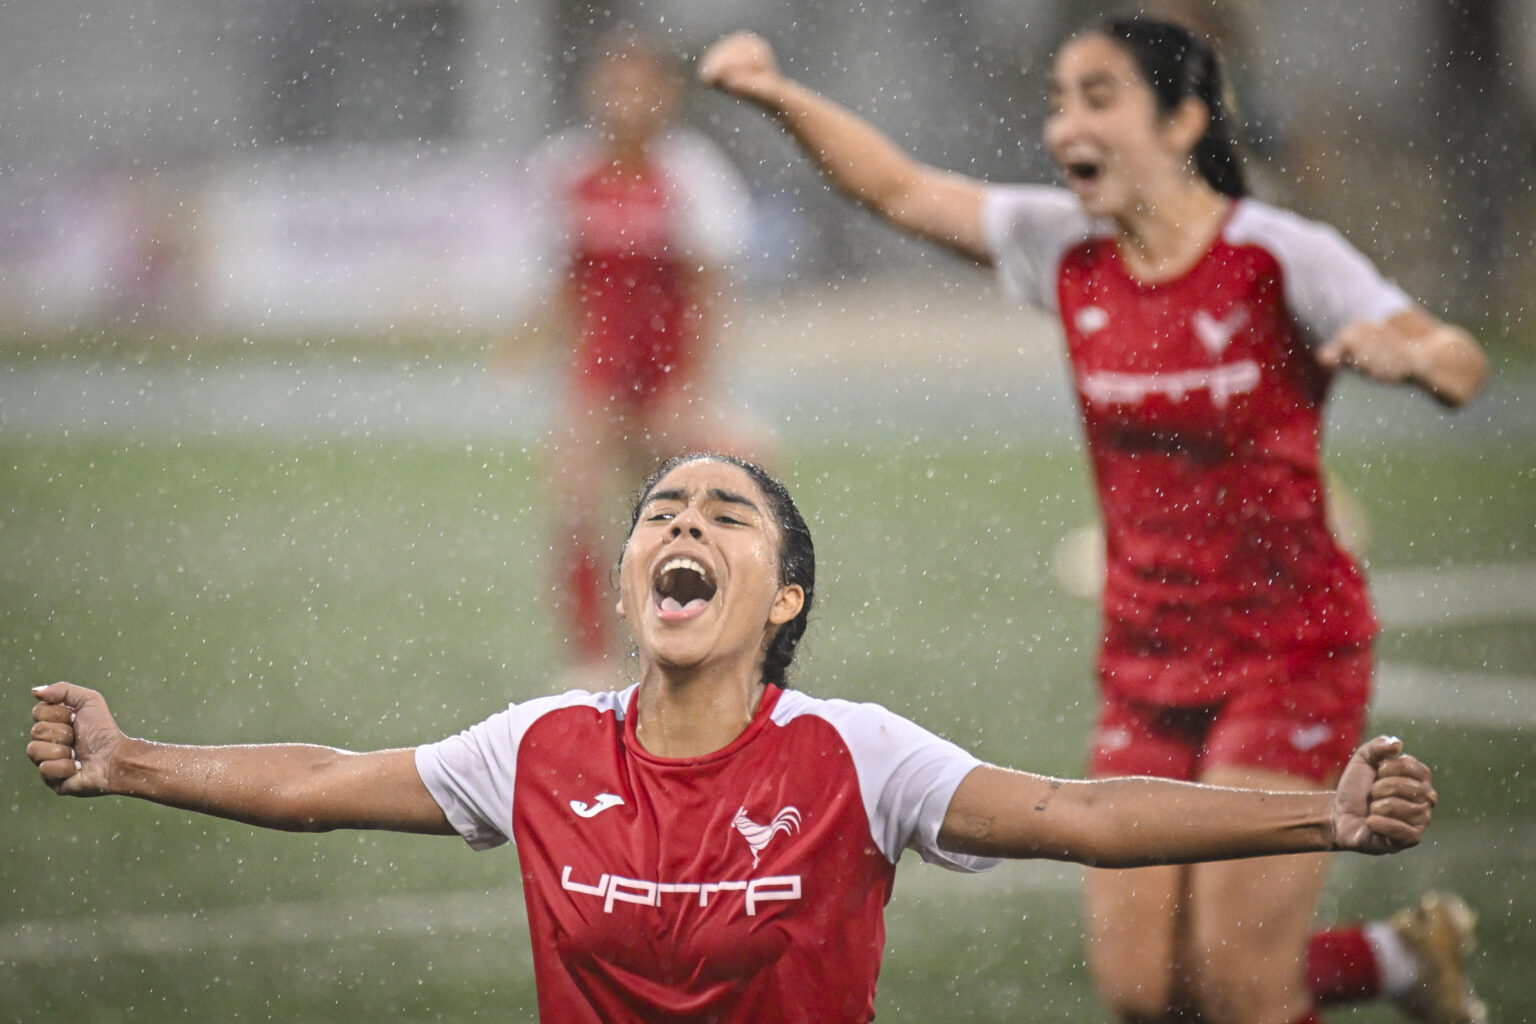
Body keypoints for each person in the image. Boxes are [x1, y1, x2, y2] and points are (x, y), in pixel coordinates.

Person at [29, 452, 1438, 1024]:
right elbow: (329, 784)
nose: (682, 522)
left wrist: (1322, 816)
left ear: (788, 596)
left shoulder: (855, 756)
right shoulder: (541, 746)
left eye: (727, 514)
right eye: (660, 509)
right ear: (636, 575)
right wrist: (131, 758)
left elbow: (1082, 817)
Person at [697, 17, 1489, 1024]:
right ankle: (1394, 957)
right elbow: (895, 188)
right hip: (1146, 654)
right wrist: (774, 92)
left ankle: (1367, 965)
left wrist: (1416, 356)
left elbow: (1460, 358)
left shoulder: (1278, 254)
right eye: (1059, 99)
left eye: (1098, 96)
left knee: (1239, 986)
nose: (1066, 122)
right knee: (1142, 990)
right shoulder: (1063, 247)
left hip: (1291, 649)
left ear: (1185, 119)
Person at [517, 30, 772, 681]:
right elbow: (562, 278)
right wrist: (533, 342)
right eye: (614, 83)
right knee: (574, 497)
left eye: (640, 84)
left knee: (715, 491)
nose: (626, 99)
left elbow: (711, 289)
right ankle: (591, 659)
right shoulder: (564, 171)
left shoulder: (693, 174)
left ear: (667, 94)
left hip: (667, 374)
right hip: (597, 372)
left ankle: (713, 640)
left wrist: (695, 385)